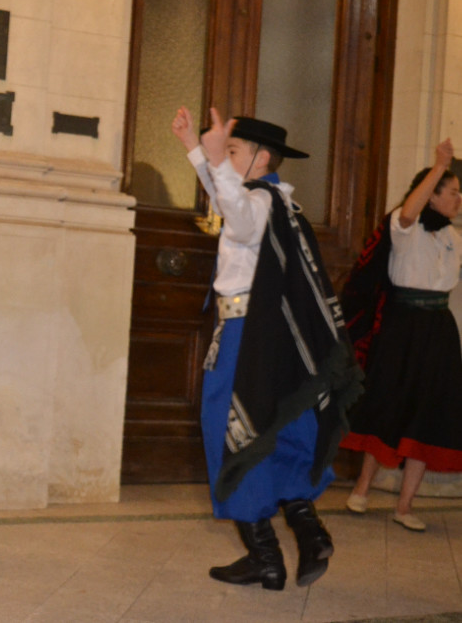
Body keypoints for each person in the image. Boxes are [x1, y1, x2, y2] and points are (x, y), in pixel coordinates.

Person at [171, 107, 362, 590]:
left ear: (260, 159)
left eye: (232, 151)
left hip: (246, 337)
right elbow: (226, 197)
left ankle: (266, 555)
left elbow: (235, 212)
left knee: (235, 433)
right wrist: (197, 150)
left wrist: (210, 158)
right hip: (277, 341)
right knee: (281, 429)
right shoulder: (276, 200)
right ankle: (308, 531)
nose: (224, 158)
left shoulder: (258, 204)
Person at [341, 139, 462, 532]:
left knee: (429, 411)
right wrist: (439, 167)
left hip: (439, 329)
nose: (459, 198)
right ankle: (362, 488)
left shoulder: (455, 239)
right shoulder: (404, 227)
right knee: (387, 400)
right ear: (432, 195)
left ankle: (405, 506)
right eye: (453, 191)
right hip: (401, 324)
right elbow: (410, 210)